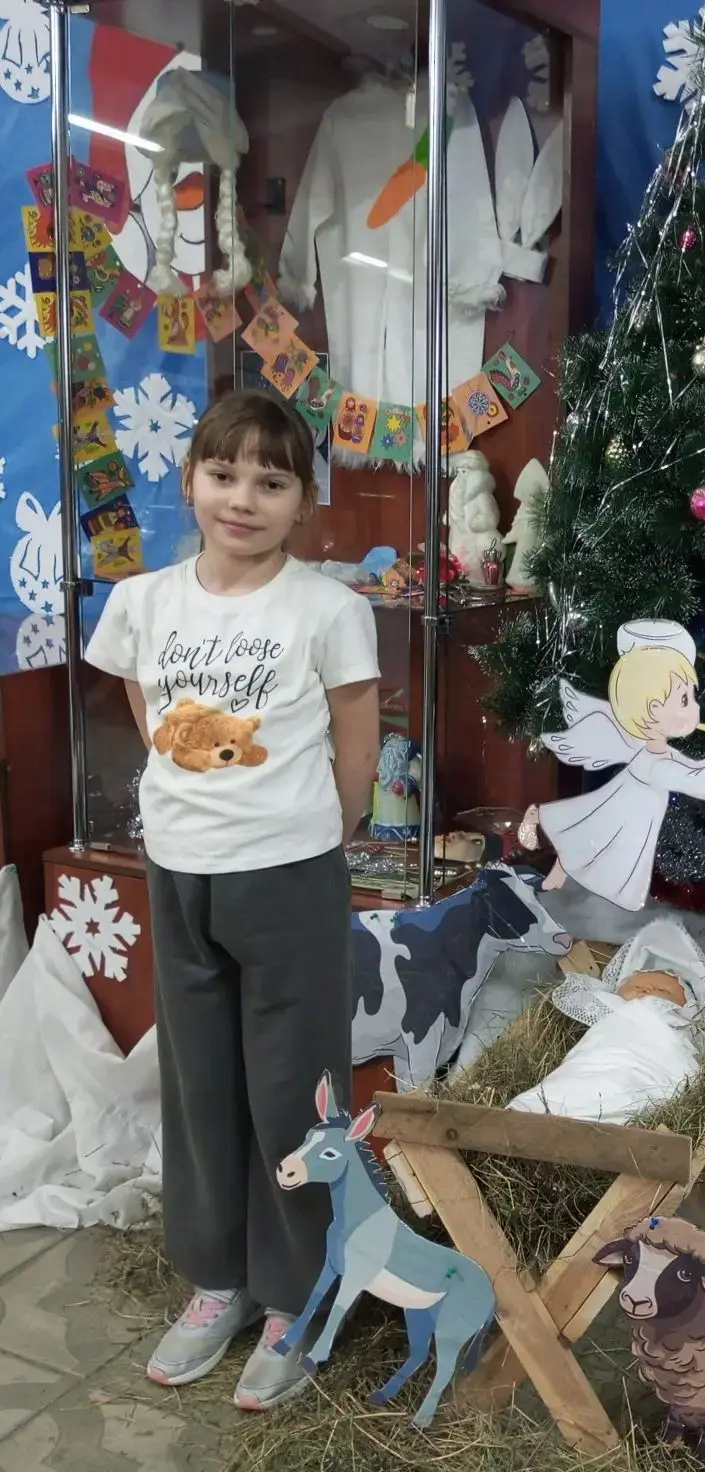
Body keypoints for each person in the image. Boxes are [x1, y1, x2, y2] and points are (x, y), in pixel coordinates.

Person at [84, 389, 381, 1411]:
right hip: (179, 869)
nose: (243, 498)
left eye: (271, 480)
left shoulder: (328, 609)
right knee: (200, 1080)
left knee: (293, 1088)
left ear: (304, 500)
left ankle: (298, 1290)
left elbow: (356, 739)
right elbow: (148, 704)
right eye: (223, 473)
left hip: (289, 873)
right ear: (190, 480)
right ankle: (218, 1278)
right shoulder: (143, 601)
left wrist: (328, 826)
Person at [518, 619, 705, 911]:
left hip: (630, 810)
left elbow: (694, 768)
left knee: (589, 835)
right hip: (630, 813)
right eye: (684, 699)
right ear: (653, 709)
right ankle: (538, 819)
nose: (696, 707)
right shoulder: (658, 767)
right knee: (593, 838)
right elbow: (694, 779)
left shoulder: (659, 753)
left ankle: (557, 867)